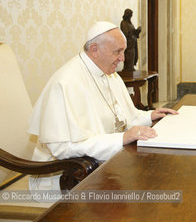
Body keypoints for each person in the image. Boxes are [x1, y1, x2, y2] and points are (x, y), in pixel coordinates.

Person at [28, 21, 178, 191]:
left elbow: (125, 118)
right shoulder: (66, 83)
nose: (123, 58)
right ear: (94, 50)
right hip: (64, 177)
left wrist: (150, 116)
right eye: (118, 52)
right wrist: (121, 139)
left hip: (106, 165)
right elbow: (62, 148)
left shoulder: (109, 73)